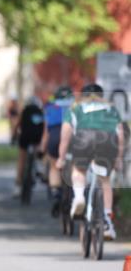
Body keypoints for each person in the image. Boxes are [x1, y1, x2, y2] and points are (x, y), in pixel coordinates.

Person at [56, 83, 124, 241]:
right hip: (107, 140)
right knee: (105, 180)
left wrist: (61, 157)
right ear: (101, 96)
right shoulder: (111, 108)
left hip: (84, 138)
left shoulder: (75, 107)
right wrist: (118, 159)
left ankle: (79, 197)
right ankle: (107, 220)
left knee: (79, 170)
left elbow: (65, 135)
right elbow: (120, 135)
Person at [40, 86, 74, 215]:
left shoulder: (50, 109)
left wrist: (42, 149)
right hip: (72, 136)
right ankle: (76, 193)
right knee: (75, 164)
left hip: (54, 135)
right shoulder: (76, 108)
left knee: (54, 165)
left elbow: (45, 133)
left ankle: (56, 194)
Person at [13, 96, 45, 197]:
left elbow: (17, 125)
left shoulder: (24, 111)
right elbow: (45, 127)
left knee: (21, 160)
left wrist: (13, 136)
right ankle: (39, 166)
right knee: (39, 150)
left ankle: (18, 186)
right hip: (37, 137)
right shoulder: (41, 112)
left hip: (25, 137)